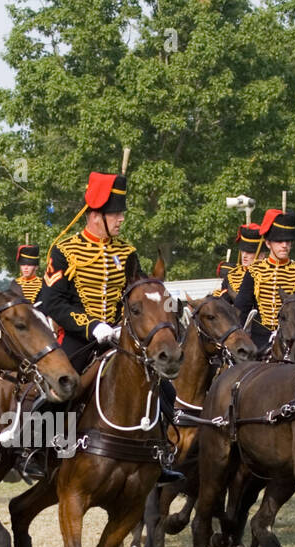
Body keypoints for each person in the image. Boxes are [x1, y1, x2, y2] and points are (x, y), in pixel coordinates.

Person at [30, 170, 183, 483]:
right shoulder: (65, 250)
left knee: (164, 388)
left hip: (119, 338)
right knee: (60, 386)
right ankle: (38, 450)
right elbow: (52, 302)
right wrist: (92, 327)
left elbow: (136, 295)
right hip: (80, 338)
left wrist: (124, 325)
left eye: (121, 213)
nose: (121, 219)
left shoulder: (126, 253)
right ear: (96, 215)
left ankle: (159, 453)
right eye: (116, 213)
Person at [231, 208, 295, 353]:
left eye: (288, 241)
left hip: (292, 342)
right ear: (268, 244)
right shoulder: (255, 271)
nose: (284, 245)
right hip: (258, 342)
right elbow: (241, 308)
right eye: (279, 241)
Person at [216, 222, 264, 299]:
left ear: (261, 255)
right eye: (243, 251)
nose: (244, 255)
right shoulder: (231, 277)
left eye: (249, 252)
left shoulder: (268, 275)